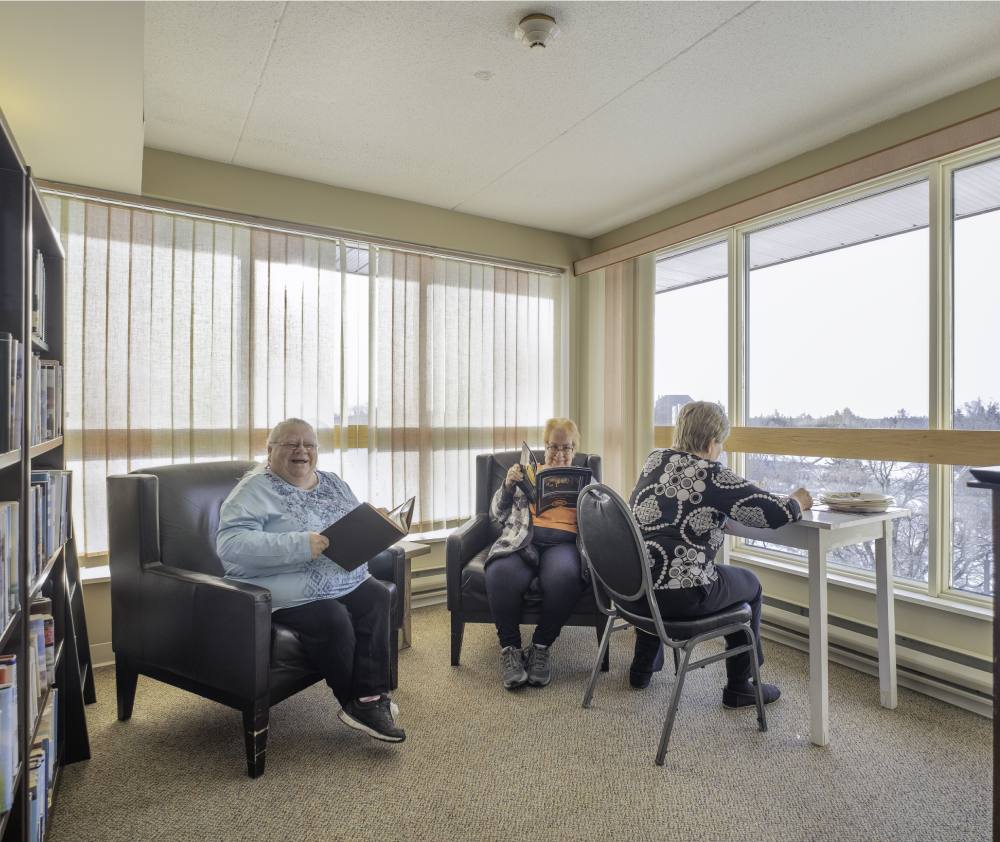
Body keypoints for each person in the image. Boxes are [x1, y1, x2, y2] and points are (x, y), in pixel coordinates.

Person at [216, 418, 404, 743]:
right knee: (332, 617)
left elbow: (351, 520)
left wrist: (376, 522)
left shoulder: (332, 482)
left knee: (377, 595)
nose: (301, 450)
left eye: (309, 445)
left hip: (343, 579)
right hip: (284, 589)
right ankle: (358, 703)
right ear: (271, 449)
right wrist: (298, 544)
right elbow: (230, 545)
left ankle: (370, 697)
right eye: (291, 443)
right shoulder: (253, 489)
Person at [627, 401, 812, 708]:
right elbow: (774, 514)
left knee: (657, 559)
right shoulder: (711, 473)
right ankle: (740, 685)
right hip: (683, 596)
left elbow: (670, 512)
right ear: (711, 444)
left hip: (636, 591)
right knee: (750, 584)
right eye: (721, 445)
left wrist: (713, 511)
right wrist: (796, 500)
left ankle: (641, 668)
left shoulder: (655, 460)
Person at [485, 417, 591, 690]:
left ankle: (540, 647)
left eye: (565, 448)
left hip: (564, 546)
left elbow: (600, 520)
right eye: (553, 447)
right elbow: (496, 513)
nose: (559, 454)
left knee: (566, 577)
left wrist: (592, 501)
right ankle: (510, 650)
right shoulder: (525, 474)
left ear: (574, 449)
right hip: (522, 541)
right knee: (499, 573)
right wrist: (508, 486)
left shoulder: (585, 479)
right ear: (544, 447)